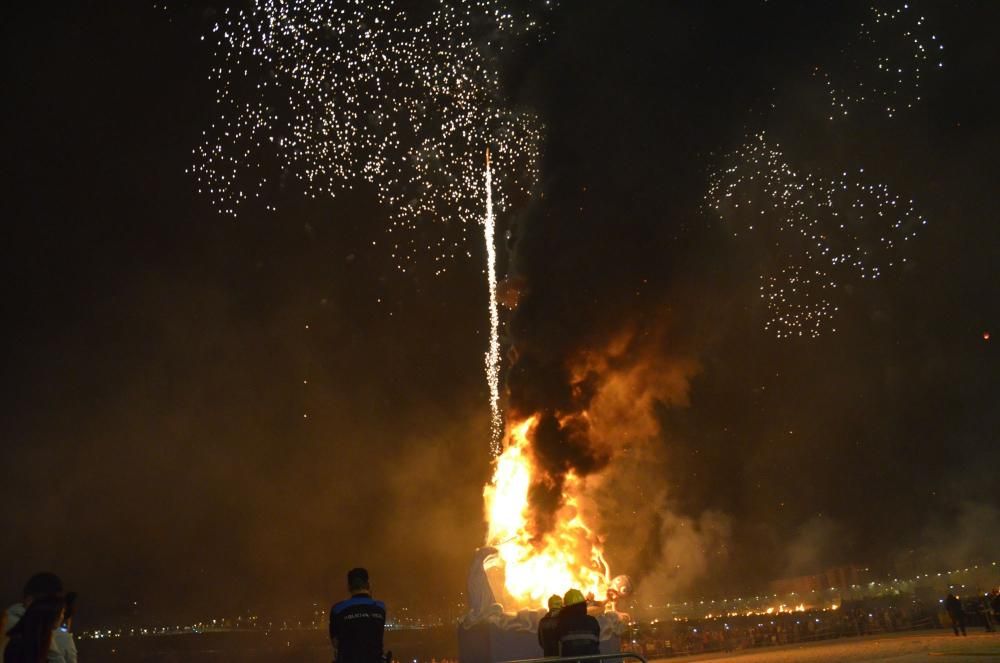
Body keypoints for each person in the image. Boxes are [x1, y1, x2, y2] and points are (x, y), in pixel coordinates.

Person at [329, 568, 386, 663]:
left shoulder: (338, 609)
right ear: (368, 584)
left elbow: (335, 643)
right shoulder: (380, 607)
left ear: (348, 586)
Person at [4, 596, 66, 663]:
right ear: (51, 615)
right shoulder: (19, 642)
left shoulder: (40, 637)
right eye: (62, 613)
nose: (62, 617)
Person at [557, 589, 600, 658]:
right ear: (584, 605)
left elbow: (559, 641)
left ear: (567, 608)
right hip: (592, 660)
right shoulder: (592, 621)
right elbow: (597, 642)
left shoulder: (562, 623)